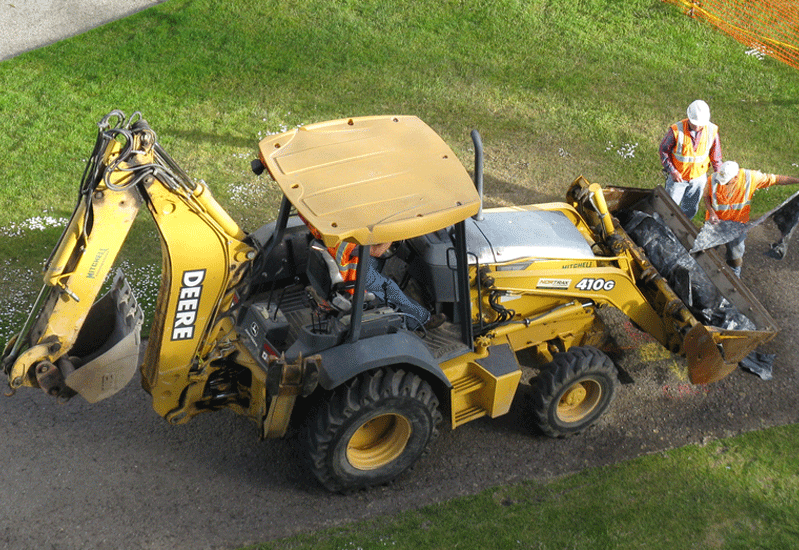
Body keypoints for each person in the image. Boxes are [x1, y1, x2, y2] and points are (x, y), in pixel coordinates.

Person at [704, 160, 799, 277]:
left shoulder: (750, 178)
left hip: (736, 228)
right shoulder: (713, 179)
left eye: (727, 182)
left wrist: (797, 181)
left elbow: (776, 179)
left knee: (735, 257)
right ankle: (700, 274)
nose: (723, 184)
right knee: (705, 253)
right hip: (715, 226)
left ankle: (734, 278)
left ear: (736, 176)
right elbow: (706, 197)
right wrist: (712, 212)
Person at [328, 239, 447, 331]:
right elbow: (377, 251)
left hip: (347, 264)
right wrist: (391, 234)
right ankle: (422, 320)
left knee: (378, 261)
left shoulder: (331, 230)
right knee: (390, 288)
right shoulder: (346, 244)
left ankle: (382, 293)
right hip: (355, 276)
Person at [659, 100, 723, 218]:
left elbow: (716, 157)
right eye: (695, 123)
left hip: (698, 180)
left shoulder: (711, 131)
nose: (698, 126)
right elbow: (663, 150)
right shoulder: (676, 130)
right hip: (678, 178)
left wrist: (720, 176)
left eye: (700, 124)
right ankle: (661, 227)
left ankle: (681, 231)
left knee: (689, 210)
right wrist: (672, 171)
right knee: (667, 208)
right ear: (689, 117)